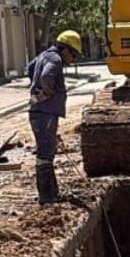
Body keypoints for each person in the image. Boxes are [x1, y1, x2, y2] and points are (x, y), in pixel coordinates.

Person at [26, 30, 82, 204]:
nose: (72, 60)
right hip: (46, 112)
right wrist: (48, 93)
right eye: (73, 55)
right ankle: (47, 195)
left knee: (46, 151)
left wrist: (38, 90)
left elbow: (30, 69)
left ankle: (51, 193)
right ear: (65, 49)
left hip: (39, 111)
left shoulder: (43, 55)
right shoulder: (55, 59)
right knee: (45, 152)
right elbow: (45, 76)